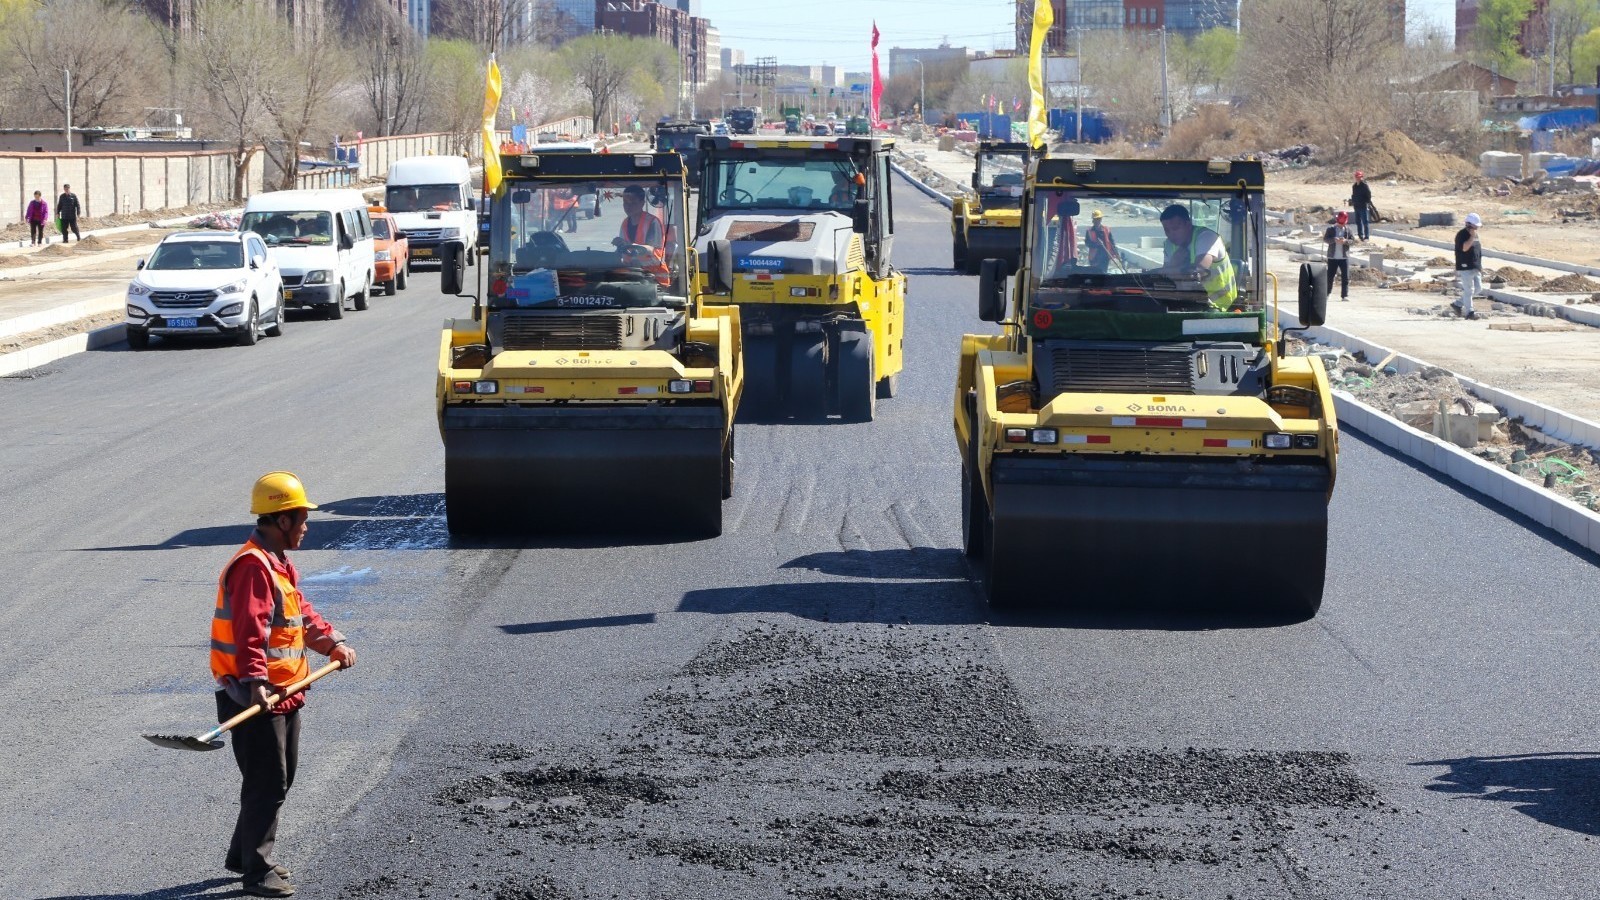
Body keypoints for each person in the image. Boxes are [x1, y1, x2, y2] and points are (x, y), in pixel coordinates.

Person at [212, 471, 357, 897]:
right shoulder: (253, 568)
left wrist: (332, 642)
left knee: (278, 776)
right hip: (255, 694)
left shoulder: (278, 564)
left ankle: (243, 855)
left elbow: (299, 615)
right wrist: (257, 682)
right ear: (281, 520)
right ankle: (257, 871)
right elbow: (248, 632)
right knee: (268, 781)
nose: (307, 527)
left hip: (284, 691)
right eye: (302, 519)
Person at [1157, 204, 1236, 310]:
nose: (1171, 234)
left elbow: (1198, 272)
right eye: (1167, 230)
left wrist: (1173, 266)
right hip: (1188, 302)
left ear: (1188, 225)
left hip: (1220, 305)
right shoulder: (1169, 245)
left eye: (1175, 228)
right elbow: (1164, 278)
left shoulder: (1207, 238)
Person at [613, 185, 663, 251]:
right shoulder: (625, 223)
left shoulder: (652, 222)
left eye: (633, 203)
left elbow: (653, 249)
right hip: (628, 261)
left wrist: (630, 246)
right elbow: (623, 249)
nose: (628, 206)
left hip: (652, 261)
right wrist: (619, 243)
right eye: (625, 202)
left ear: (642, 203)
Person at [1453, 212, 1483, 320]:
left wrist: (1480, 267)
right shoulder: (1461, 234)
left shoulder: (1475, 235)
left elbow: (1477, 251)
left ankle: (1458, 304)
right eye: (1475, 226)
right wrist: (1471, 237)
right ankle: (1470, 312)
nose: (1477, 228)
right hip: (1465, 267)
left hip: (1475, 267)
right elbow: (1464, 248)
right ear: (1469, 224)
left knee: (1478, 288)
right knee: (1469, 290)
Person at [1323, 210, 1353, 301]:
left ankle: (1344, 295)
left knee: (1345, 277)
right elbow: (1326, 239)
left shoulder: (1348, 230)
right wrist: (1334, 240)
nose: (1341, 225)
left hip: (1344, 257)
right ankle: (1327, 293)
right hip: (1333, 257)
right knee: (1330, 277)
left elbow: (1353, 241)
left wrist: (1345, 241)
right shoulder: (1331, 229)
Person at [1350, 171, 1373, 242]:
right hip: (1356, 206)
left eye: (1359, 177)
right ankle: (1360, 236)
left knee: (1365, 222)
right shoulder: (1354, 186)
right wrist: (1353, 201)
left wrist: (1366, 202)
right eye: (1357, 177)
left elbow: (1369, 194)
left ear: (1362, 177)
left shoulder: (1364, 185)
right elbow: (1353, 195)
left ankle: (1366, 237)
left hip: (1363, 206)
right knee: (1358, 222)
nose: (1358, 178)